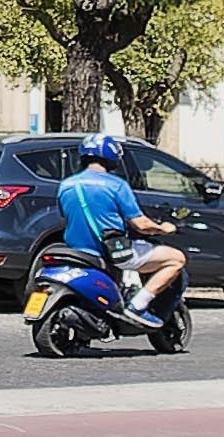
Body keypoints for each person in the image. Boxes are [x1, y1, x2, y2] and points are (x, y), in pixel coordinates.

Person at [56, 134, 183, 327]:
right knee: (176, 259)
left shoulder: (66, 185)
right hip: (111, 250)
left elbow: (65, 216)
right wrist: (163, 228)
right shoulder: (116, 185)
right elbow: (140, 224)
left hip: (76, 250)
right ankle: (138, 306)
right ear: (112, 157)